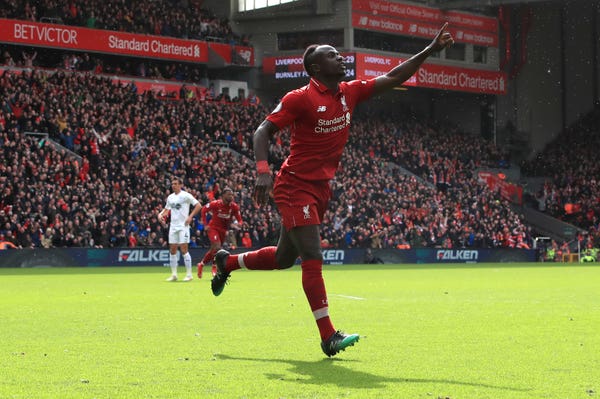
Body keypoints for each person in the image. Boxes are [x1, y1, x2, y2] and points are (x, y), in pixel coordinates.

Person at [210, 23, 454, 357]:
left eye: (339, 55)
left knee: (284, 258)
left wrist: (428, 50)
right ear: (315, 68)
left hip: (320, 188)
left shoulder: (349, 92)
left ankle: (227, 262)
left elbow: (395, 76)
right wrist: (263, 172)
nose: (340, 59)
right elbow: (262, 131)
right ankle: (328, 336)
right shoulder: (300, 98)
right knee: (312, 255)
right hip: (293, 186)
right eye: (332, 56)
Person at [157, 177, 202, 282]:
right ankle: (174, 275)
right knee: (172, 250)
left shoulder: (186, 195)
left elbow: (198, 205)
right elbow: (166, 210)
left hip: (183, 226)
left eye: (176, 183)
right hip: (173, 226)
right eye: (172, 184)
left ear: (180, 185)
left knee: (184, 249)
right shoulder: (170, 197)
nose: (173, 185)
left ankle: (189, 275)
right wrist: (160, 215)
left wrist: (190, 217)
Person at [196, 187, 243, 279]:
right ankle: (214, 266)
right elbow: (204, 210)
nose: (231, 196)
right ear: (223, 196)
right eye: (229, 194)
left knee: (214, 249)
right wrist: (205, 224)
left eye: (232, 194)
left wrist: (239, 224)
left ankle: (201, 264)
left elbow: (239, 219)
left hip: (223, 230)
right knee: (217, 247)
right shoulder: (215, 204)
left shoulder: (234, 207)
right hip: (213, 228)